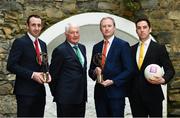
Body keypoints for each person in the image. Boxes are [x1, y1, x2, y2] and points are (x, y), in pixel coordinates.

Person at [128, 18, 175, 117]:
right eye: (139, 28)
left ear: (150, 29)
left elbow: (170, 70)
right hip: (135, 98)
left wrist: (163, 80)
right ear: (136, 31)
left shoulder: (159, 48)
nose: (142, 30)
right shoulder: (131, 49)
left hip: (154, 96)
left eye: (145, 27)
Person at [7, 15, 51, 117]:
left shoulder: (43, 44)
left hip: (40, 93)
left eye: (39, 25)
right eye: (33, 25)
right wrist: (32, 75)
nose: (36, 28)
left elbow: (44, 63)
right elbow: (11, 65)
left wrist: (48, 73)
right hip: (25, 93)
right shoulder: (20, 42)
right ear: (27, 26)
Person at [88, 17, 133, 117]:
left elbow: (129, 70)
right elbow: (90, 71)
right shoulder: (97, 47)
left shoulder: (123, 45)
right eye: (104, 26)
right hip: (100, 95)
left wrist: (113, 81)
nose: (106, 28)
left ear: (114, 28)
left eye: (109, 26)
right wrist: (95, 71)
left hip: (116, 94)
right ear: (100, 29)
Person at [49, 23, 87, 117]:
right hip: (65, 99)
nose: (75, 35)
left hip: (81, 98)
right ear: (66, 34)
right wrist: (58, 94)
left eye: (77, 32)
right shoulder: (60, 50)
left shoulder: (82, 48)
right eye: (72, 33)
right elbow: (53, 75)